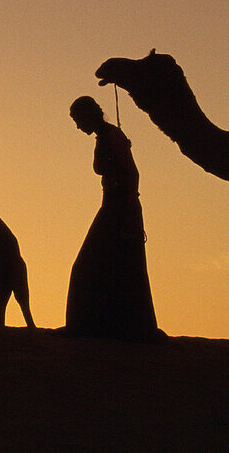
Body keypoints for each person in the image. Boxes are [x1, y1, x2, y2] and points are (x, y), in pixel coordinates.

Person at [65, 95, 164, 342]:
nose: (78, 126)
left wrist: (130, 205)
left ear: (89, 115)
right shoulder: (105, 137)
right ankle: (97, 327)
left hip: (121, 207)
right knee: (105, 266)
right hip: (111, 204)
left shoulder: (113, 136)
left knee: (90, 266)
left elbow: (132, 172)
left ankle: (90, 327)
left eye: (78, 120)